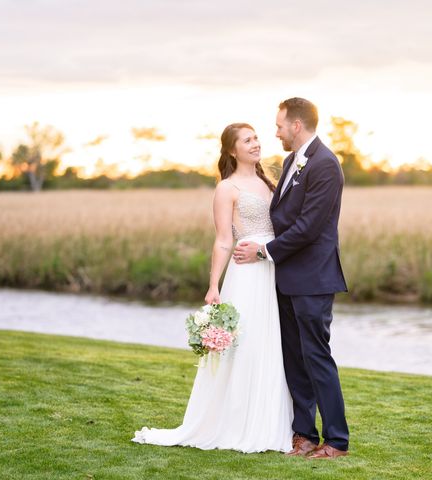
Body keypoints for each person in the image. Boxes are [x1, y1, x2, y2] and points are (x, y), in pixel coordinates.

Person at [131, 123, 293, 453]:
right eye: (247, 141)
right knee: (246, 344)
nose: (256, 144)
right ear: (232, 150)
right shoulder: (227, 189)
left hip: (273, 266)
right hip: (247, 272)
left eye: (256, 138)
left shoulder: (267, 181)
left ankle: (272, 422)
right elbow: (222, 240)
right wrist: (213, 285)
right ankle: (237, 424)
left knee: (271, 343)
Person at [234, 97, 350, 459]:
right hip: (285, 278)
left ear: (296, 126)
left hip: (313, 277)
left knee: (316, 356)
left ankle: (336, 441)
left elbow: (309, 227)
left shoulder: (326, 165)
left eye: (280, 125)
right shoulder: (290, 161)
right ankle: (303, 434)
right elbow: (283, 215)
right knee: (294, 359)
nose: (276, 132)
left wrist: (265, 251)